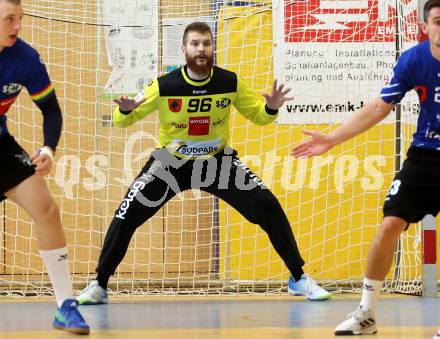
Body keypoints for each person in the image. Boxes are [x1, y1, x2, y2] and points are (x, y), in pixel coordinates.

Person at [77, 21, 331, 304]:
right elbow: (124, 118)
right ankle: (99, 284)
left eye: (206, 43)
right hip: (170, 163)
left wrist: (271, 106)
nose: (201, 49)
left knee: (268, 206)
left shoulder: (229, 82)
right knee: (127, 213)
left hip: (216, 163)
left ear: (212, 48)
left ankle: (298, 278)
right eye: (195, 44)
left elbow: (259, 116)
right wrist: (124, 111)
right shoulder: (164, 86)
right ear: (184, 49)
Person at [292, 0, 440, 335]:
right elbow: (378, 107)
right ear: (425, 27)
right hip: (425, 157)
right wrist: (331, 139)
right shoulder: (413, 60)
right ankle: (367, 313)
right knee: (390, 224)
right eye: (438, 21)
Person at [0, 0, 89, 334]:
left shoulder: (25, 58)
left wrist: (48, 149)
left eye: (19, 18)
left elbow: (51, 110)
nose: (17, 26)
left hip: (0, 146)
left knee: (47, 210)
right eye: (9, 19)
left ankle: (66, 307)